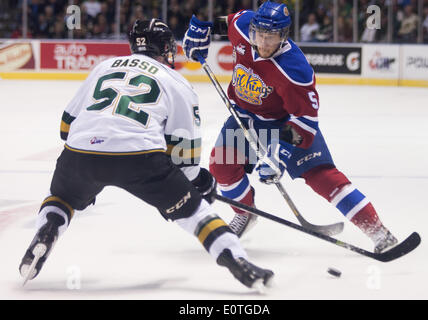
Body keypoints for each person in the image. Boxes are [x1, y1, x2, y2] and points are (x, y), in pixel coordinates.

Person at [19, 19, 274, 291]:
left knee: (62, 198)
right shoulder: (177, 81)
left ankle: (47, 230)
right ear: (166, 48)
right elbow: (183, 155)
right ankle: (239, 262)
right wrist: (198, 184)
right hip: (139, 158)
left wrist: (89, 165)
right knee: (195, 214)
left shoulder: (104, 67)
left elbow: (66, 126)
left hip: (80, 154)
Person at [183, 1, 398, 253]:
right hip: (244, 117)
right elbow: (226, 23)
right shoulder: (243, 25)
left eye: (271, 37)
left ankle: (378, 232)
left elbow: (305, 123)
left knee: (324, 178)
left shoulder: (295, 69)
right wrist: (203, 29)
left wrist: (278, 155)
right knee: (222, 167)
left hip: (285, 124)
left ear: (283, 36)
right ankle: (246, 213)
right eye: (259, 35)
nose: (263, 43)